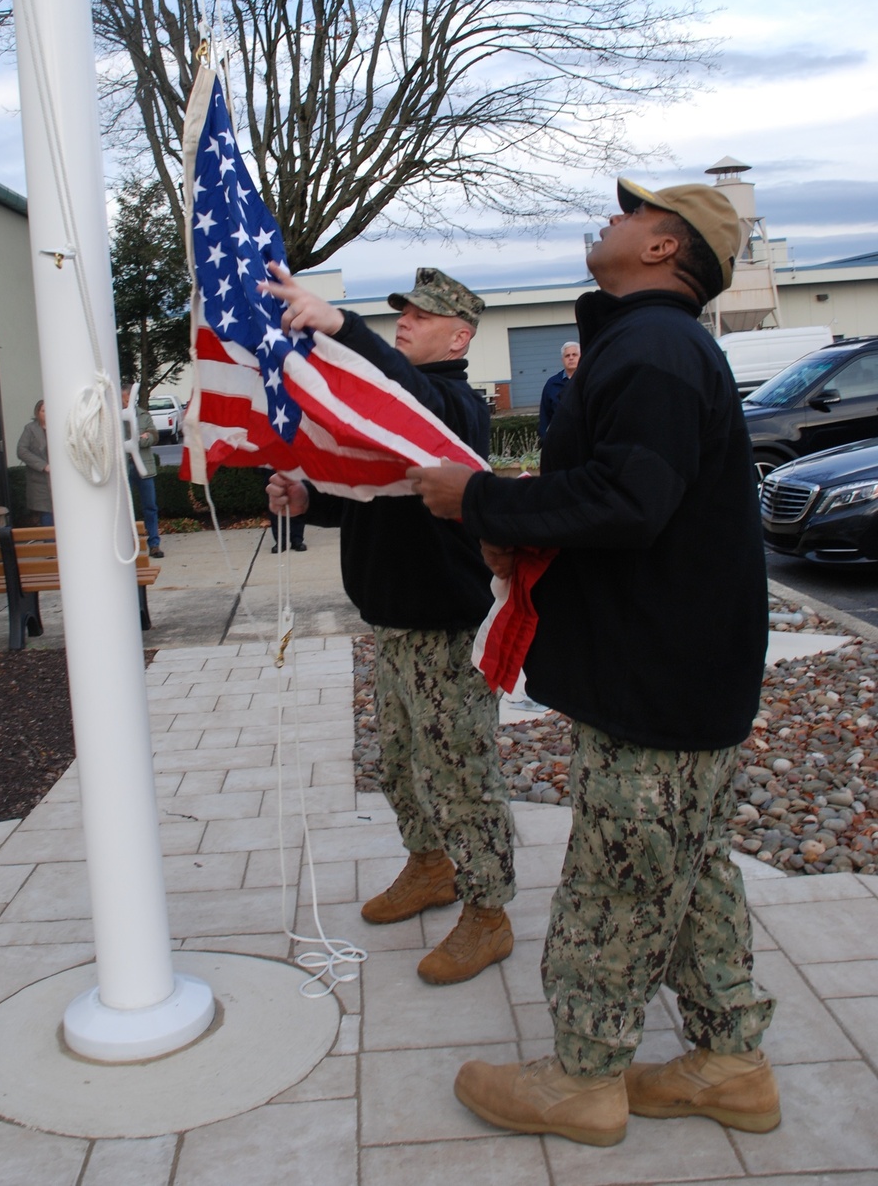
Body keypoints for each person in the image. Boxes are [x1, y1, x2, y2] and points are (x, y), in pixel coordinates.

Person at [408, 180, 778, 1146]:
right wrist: (523, 516)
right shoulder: (652, 346)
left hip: (658, 675)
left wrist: (482, 500)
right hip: (680, 666)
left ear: (665, 249)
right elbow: (622, 488)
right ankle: (731, 1062)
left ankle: (583, 1078)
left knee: (619, 875)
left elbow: (628, 502)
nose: (609, 219)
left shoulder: (653, 348)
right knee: (688, 870)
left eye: (630, 212)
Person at [263, 263, 516, 985]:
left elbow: (419, 405)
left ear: (459, 335)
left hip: (446, 627)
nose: (405, 321)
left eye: (422, 315)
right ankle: (432, 865)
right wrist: (308, 496)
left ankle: (489, 911)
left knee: (461, 775)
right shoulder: (391, 411)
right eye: (401, 311)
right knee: (404, 767)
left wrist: (343, 328)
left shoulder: (454, 406)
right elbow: (370, 492)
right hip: (394, 622)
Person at [122, 386, 164, 558]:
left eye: (127, 398)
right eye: (123, 399)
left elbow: (154, 436)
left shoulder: (143, 415)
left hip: (144, 468)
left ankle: (154, 544)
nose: (125, 402)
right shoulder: (115, 416)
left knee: (150, 507)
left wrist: (143, 440)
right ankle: (127, 544)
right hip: (124, 468)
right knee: (125, 508)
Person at [17, 400, 53, 527]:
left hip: (61, 482)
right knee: (47, 520)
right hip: (40, 482)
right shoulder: (30, 429)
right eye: (44, 411)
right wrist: (43, 466)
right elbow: (21, 451)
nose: (47, 414)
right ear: (38, 413)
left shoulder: (60, 426)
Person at [537, 341, 580, 441]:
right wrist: (545, 439)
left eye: (574, 354)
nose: (571, 358)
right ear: (562, 360)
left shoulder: (588, 380)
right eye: (567, 355)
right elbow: (544, 414)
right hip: (560, 441)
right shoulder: (552, 384)